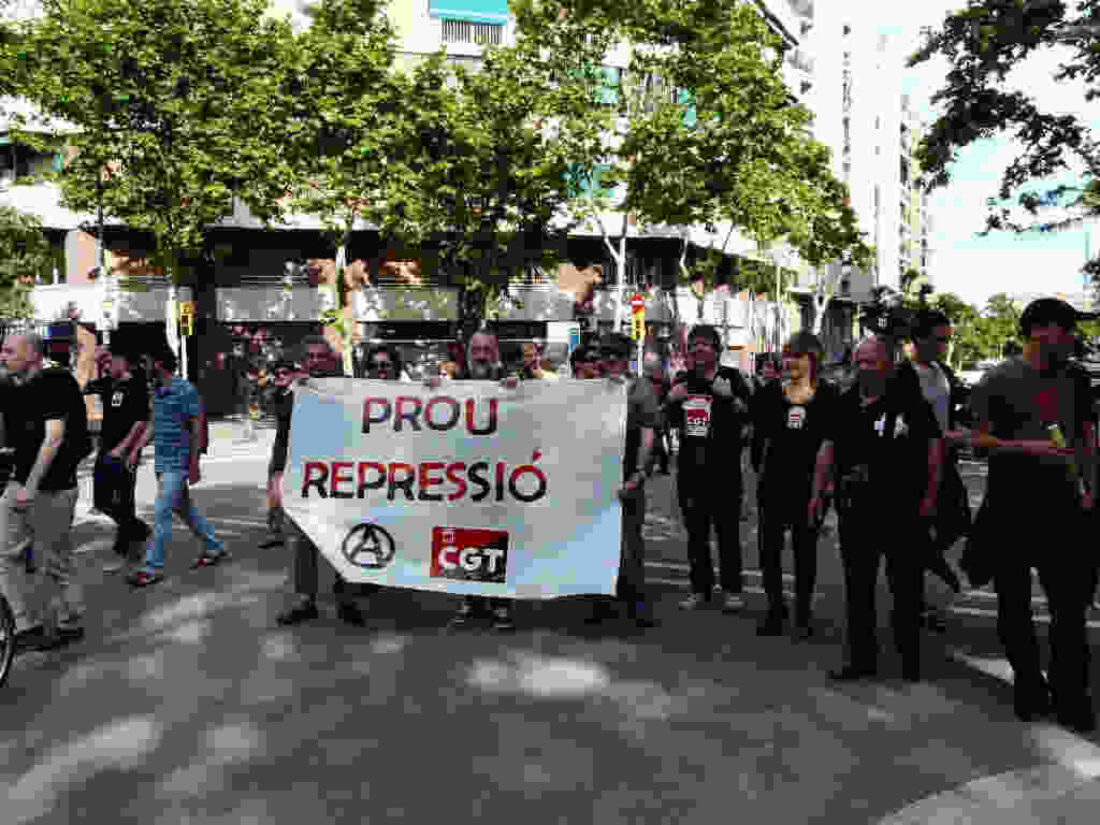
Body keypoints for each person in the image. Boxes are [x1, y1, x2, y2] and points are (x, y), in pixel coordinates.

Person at [964, 298, 1096, 732]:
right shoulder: (998, 379)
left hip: (1065, 510)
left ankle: (1070, 691)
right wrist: (1028, 448)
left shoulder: (1075, 378)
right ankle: (1028, 683)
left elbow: (1085, 435)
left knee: (1071, 607)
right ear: (1041, 331)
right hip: (1012, 509)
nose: (1074, 337)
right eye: (1068, 329)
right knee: (1014, 605)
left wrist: (1090, 486)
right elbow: (978, 442)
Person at [810, 334, 943, 683]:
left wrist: (930, 497)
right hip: (856, 509)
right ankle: (861, 658)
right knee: (858, 589)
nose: (864, 367)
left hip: (903, 510)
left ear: (888, 363)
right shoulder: (845, 402)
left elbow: (933, 452)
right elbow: (828, 449)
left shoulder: (910, 402)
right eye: (860, 361)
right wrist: (818, 492)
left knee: (906, 588)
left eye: (872, 361)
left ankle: (908, 659)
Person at [0, 332, 90, 650]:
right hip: (19, 481)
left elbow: (53, 438)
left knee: (54, 560)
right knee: (5, 553)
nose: (2, 354)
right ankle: (24, 625)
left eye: (9, 350)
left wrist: (31, 485)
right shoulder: (13, 385)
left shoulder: (55, 382)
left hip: (53, 486)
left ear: (32, 354)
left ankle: (69, 622)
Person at [275, 340, 368, 627]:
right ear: (303, 361)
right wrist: (276, 475)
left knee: (341, 536)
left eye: (321, 356)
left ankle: (345, 598)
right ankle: (306, 600)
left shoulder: (347, 388)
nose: (315, 362)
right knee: (304, 540)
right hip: (306, 478)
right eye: (310, 357)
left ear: (331, 360)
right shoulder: (294, 390)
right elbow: (282, 434)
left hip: (341, 477)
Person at [753, 332, 838, 640]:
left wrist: (823, 489)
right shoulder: (769, 395)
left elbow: (830, 446)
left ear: (814, 361)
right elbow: (758, 439)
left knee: (805, 552)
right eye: (787, 355)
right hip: (774, 483)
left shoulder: (828, 396)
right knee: (769, 551)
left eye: (798, 356)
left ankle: (803, 612)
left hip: (809, 486)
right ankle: (775, 609)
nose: (790, 362)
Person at [664, 324, 753, 613]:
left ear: (717, 350)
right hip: (691, 469)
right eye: (694, 344)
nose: (699, 349)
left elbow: (751, 417)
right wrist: (670, 400)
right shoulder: (682, 380)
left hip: (724, 469)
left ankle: (732, 589)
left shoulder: (732, 377)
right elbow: (664, 419)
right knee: (696, 534)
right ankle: (699, 588)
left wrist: (729, 397)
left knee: (727, 533)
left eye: (705, 344)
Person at [438, 329, 520, 631]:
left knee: (498, 536)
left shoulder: (511, 380)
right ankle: (470, 600)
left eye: (487, 349)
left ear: (495, 352)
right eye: (477, 349)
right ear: (468, 352)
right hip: (463, 475)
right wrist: (430, 392)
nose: (482, 354)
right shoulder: (455, 382)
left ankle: (500, 603)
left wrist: (518, 391)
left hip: (500, 475)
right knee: (465, 535)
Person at [126, 349, 228, 587]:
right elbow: (154, 423)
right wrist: (136, 449)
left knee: (161, 512)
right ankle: (214, 546)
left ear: (159, 363)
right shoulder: (157, 391)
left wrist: (194, 463)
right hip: (162, 461)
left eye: (146, 361)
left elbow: (198, 428)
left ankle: (152, 567)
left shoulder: (185, 390)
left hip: (177, 462)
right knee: (184, 510)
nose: (144, 366)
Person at [897, 310, 967, 631]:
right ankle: (912, 608)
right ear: (919, 339)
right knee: (913, 530)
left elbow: (954, 411)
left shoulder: (943, 371)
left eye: (947, 340)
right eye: (939, 340)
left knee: (958, 519)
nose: (944, 346)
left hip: (946, 459)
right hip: (913, 465)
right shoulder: (901, 375)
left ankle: (927, 556)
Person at [586, 334, 660, 628]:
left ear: (628, 357)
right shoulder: (589, 388)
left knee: (630, 541)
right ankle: (599, 602)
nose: (611, 360)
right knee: (594, 540)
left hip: (628, 470)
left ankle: (636, 603)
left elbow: (648, 432)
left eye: (616, 354)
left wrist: (639, 473)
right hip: (592, 474)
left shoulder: (640, 388)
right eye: (605, 354)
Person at [84, 348, 152, 573]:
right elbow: (81, 387)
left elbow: (140, 422)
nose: (104, 365)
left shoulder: (137, 385)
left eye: (107, 360)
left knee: (124, 501)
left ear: (122, 360)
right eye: (100, 361)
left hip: (125, 452)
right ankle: (139, 530)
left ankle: (125, 552)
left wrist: (123, 449)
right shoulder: (106, 383)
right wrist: (89, 362)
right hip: (105, 449)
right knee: (102, 501)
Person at [258, 361, 297, 551]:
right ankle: (275, 531)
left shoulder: (301, 394)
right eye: (277, 373)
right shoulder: (276, 394)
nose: (281, 375)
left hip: (300, 449)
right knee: (275, 492)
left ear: (292, 374)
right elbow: (263, 401)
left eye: (285, 372)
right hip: (281, 449)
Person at [642, 350, 671, 475]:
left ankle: (661, 466)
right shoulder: (645, 379)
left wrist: (662, 407)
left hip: (659, 413)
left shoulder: (663, 378)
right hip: (651, 413)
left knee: (660, 439)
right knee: (653, 440)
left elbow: (668, 397)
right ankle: (651, 466)